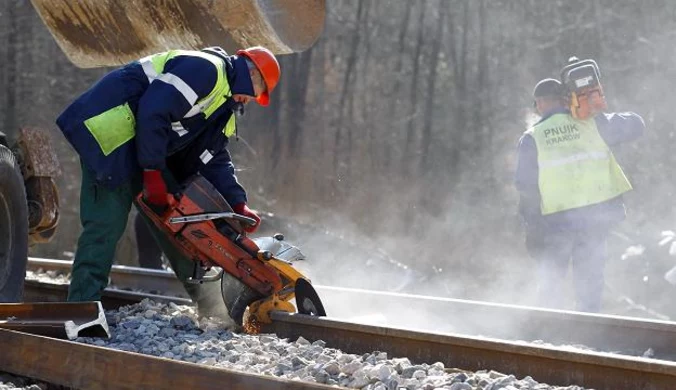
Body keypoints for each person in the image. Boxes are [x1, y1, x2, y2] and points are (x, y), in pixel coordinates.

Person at [56, 46, 280, 323]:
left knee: (183, 226)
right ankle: (81, 311)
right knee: (105, 225)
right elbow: (154, 111)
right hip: (111, 138)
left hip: (146, 150)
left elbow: (215, 156)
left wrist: (237, 202)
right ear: (252, 73)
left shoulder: (225, 104)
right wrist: (153, 173)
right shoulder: (205, 69)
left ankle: (215, 310)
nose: (254, 99)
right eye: (259, 89)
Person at [515, 78, 645, 313]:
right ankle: (587, 340)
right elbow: (637, 124)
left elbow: (526, 189)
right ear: (567, 99)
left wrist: (531, 230)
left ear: (540, 104)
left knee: (551, 286)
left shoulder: (532, 137)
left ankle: (546, 339)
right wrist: (597, 107)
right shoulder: (593, 124)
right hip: (595, 222)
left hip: (553, 225)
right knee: (589, 288)